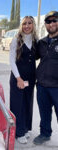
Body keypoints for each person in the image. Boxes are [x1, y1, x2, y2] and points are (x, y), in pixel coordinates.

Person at [9, 16, 38, 144]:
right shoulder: (16, 40)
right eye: (24, 23)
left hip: (30, 79)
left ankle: (25, 128)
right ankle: (18, 132)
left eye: (29, 23)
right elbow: (11, 60)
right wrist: (18, 78)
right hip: (18, 78)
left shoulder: (35, 40)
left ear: (33, 25)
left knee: (27, 103)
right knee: (17, 104)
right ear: (21, 26)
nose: (27, 26)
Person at [33, 11, 58, 145]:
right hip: (42, 85)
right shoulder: (41, 42)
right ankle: (45, 134)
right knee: (44, 113)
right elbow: (32, 57)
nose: (52, 24)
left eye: (54, 20)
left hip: (57, 87)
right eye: (48, 22)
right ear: (45, 25)